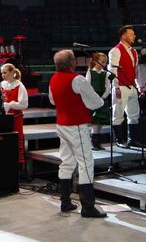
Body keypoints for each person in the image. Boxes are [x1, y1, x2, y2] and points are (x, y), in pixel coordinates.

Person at [49, 49, 106, 218]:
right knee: (86, 163)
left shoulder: (53, 78)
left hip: (62, 124)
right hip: (76, 125)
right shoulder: (77, 79)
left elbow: (53, 100)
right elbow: (96, 102)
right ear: (72, 62)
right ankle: (88, 206)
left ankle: (65, 201)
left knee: (66, 161)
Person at [108, 25, 143, 148]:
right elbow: (112, 70)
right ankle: (119, 140)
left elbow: (135, 71)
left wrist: (139, 86)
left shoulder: (133, 51)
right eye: (131, 34)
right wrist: (116, 87)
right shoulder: (115, 50)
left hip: (132, 86)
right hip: (121, 86)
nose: (134, 36)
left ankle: (132, 139)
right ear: (123, 36)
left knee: (133, 114)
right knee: (118, 113)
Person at [0, 63, 29, 166]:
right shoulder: (2, 84)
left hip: (15, 119)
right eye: (2, 73)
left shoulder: (19, 86)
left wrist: (10, 104)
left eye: (5, 72)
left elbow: (24, 104)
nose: (3, 75)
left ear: (12, 72)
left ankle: (17, 167)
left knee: (15, 142)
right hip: (4, 119)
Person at [85, 52, 111, 151]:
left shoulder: (106, 74)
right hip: (93, 98)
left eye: (105, 62)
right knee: (95, 121)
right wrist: (94, 98)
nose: (104, 64)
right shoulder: (90, 72)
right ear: (96, 62)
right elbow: (87, 86)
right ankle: (94, 142)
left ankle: (97, 142)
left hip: (102, 99)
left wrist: (103, 97)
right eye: (102, 62)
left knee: (100, 122)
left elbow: (108, 88)